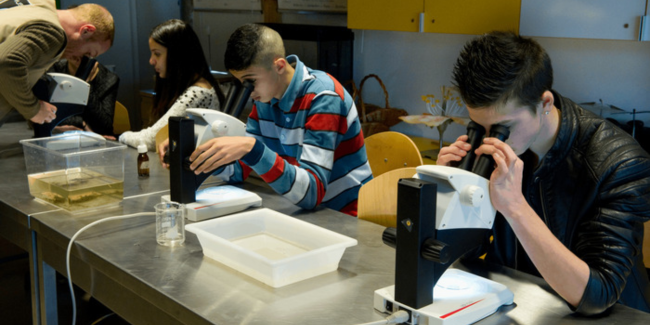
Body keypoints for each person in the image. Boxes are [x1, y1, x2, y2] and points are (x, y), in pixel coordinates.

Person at [437, 31, 650, 315]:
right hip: (519, 303)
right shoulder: (497, 142)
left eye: (503, 128)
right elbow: (466, 257)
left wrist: (514, 207)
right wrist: (449, 194)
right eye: (477, 126)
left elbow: (597, 295)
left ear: (545, 103)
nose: (491, 141)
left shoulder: (618, 163)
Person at [159, 23, 372, 216]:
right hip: (306, 212)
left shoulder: (324, 98)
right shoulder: (265, 99)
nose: (249, 93)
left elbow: (311, 193)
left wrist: (252, 149)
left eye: (250, 82)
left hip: (346, 216)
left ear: (279, 66)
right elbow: (239, 169)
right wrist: (193, 149)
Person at [0, 1, 114, 127]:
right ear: (86, 31)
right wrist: (34, 110)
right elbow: (7, 62)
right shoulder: (52, 32)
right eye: (87, 53)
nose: (79, 59)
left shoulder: (38, 4)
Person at [119, 19, 224, 151]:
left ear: (178, 54)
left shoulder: (198, 93)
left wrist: (122, 136)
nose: (151, 61)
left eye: (157, 54)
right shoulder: (186, 85)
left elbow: (152, 139)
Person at [49, 58, 120, 140]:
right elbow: (43, 115)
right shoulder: (55, 69)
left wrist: (86, 86)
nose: (80, 55)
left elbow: (104, 127)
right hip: (57, 137)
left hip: (94, 141)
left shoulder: (109, 79)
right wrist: (82, 123)